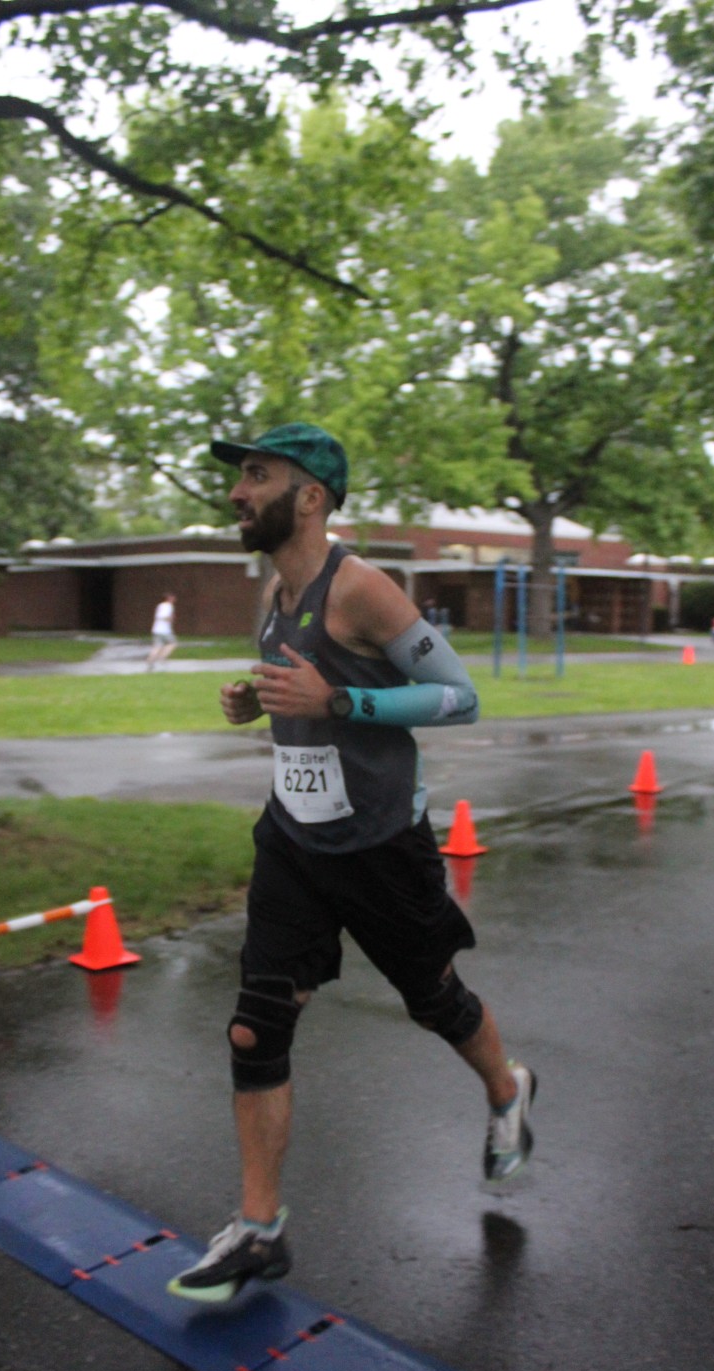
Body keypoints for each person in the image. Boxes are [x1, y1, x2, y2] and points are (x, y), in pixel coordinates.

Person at [168, 422, 536, 1304]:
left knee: (434, 1000)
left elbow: (461, 698)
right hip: (294, 839)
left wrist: (341, 700)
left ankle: (508, 1088)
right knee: (256, 1026)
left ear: (311, 497)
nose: (237, 492)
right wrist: (256, 702)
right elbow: (300, 693)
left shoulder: (362, 587)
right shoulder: (275, 589)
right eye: (240, 476)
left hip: (379, 848)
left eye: (257, 476)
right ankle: (259, 1230)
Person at [147, 593, 178, 669]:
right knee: (173, 643)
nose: (174, 599)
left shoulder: (160, 605)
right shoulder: (168, 606)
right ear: (169, 598)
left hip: (156, 629)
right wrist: (171, 618)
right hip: (164, 630)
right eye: (173, 598)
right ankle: (162, 656)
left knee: (157, 646)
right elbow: (164, 617)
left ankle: (150, 660)